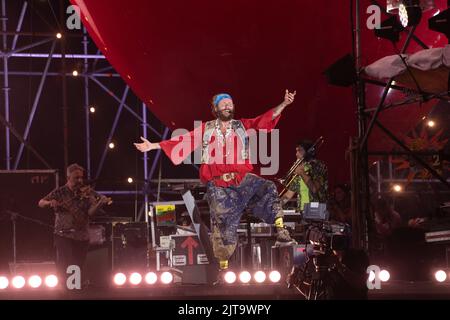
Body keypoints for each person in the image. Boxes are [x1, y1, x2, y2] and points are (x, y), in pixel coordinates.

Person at [134, 90, 297, 273]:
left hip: (242, 179)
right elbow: (183, 140)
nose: (228, 105)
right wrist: (154, 145)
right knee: (224, 226)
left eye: (230, 103)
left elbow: (264, 119)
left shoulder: (242, 126)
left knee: (267, 187)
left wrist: (283, 104)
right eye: (224, 103)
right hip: (218, 184)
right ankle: (223, 268)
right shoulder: (206, 129)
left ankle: (281, 231)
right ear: (215, 108)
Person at [38, 164, 110, 288]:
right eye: (76, 178)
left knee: (78, 264)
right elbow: (41, 202)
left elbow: (90, 213)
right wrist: (50, 203)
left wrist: (100, 204)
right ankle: (66, 287)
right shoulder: (60, 192)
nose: (80, 181)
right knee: (68, 261)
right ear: (68, 177)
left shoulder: (87, 192)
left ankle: (74, 288)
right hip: (63, 234)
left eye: (81, 177)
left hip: (82, 235)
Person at [281, 140, 328, 212]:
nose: (296, 154)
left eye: (299, 150)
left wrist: (302, 173)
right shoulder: (299, 168)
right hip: (302, 212)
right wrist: (276, 206)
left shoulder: (318, 166)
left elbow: (314, 189)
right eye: (296, 151)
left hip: (316, 212)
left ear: (308, 152)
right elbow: (288, 195)